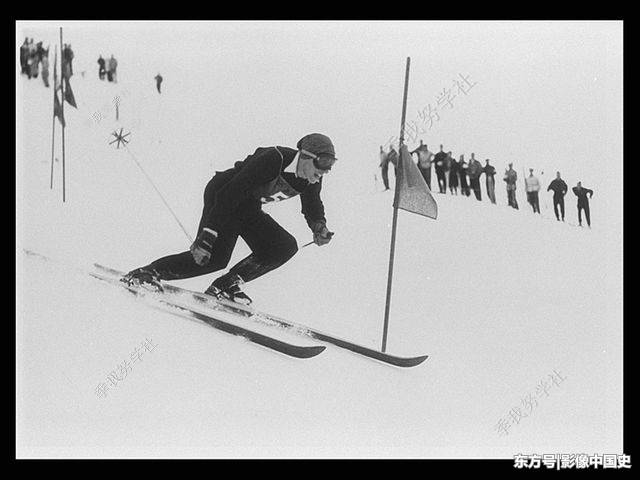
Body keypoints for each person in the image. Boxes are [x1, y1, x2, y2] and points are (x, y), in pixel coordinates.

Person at [122, 133, 338, 305]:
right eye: (321, 165)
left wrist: (319, 226)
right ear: (305, 156)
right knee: (213, 258)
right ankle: (147, 273)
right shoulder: (274, 159)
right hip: (223, 194)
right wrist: (208, 234)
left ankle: (226, 286)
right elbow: (231, 193)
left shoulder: (312, 180)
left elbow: (312, 205)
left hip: (247, 205)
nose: (323, 172)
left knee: (284, 246)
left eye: (329, 167)